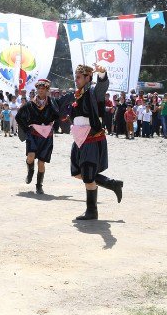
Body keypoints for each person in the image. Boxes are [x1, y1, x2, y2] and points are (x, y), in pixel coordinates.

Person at [62, 64, 122, 222]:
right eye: (75, 77)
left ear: (88, 78)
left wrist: (102, 74)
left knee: (88, 176)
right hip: (79, 139)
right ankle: (112, 184)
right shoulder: (78, 94)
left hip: (91, 139)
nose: (76, 80)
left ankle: (91, 211)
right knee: (77, 172)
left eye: (79, 77)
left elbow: (102, 86)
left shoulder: (93, 92)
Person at [15, 79, 58, 195]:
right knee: (30, 156)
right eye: (39, 88)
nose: (40, 90)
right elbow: (18, 117)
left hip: (47, 135)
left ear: (47, 90)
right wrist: (26, 128)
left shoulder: (52, 103)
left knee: (41, 163)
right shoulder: (30, 104)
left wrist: (54, 123)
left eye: (43, 88)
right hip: (33, 134)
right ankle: (30, 171)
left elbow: (58, 114)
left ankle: (39, 186)